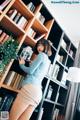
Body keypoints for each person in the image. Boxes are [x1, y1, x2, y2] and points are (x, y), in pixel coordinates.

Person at [9, 38, 52, 120]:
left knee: (12, 118)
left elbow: (30, 71)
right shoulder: (48, 61)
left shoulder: (41, 55)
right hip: (38, 94)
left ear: (46, 46)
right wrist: (33, 64)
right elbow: (38, 72)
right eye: (38, 45)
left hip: (30, 90)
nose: (38, 47)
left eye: (41, 45)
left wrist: (22, 64)